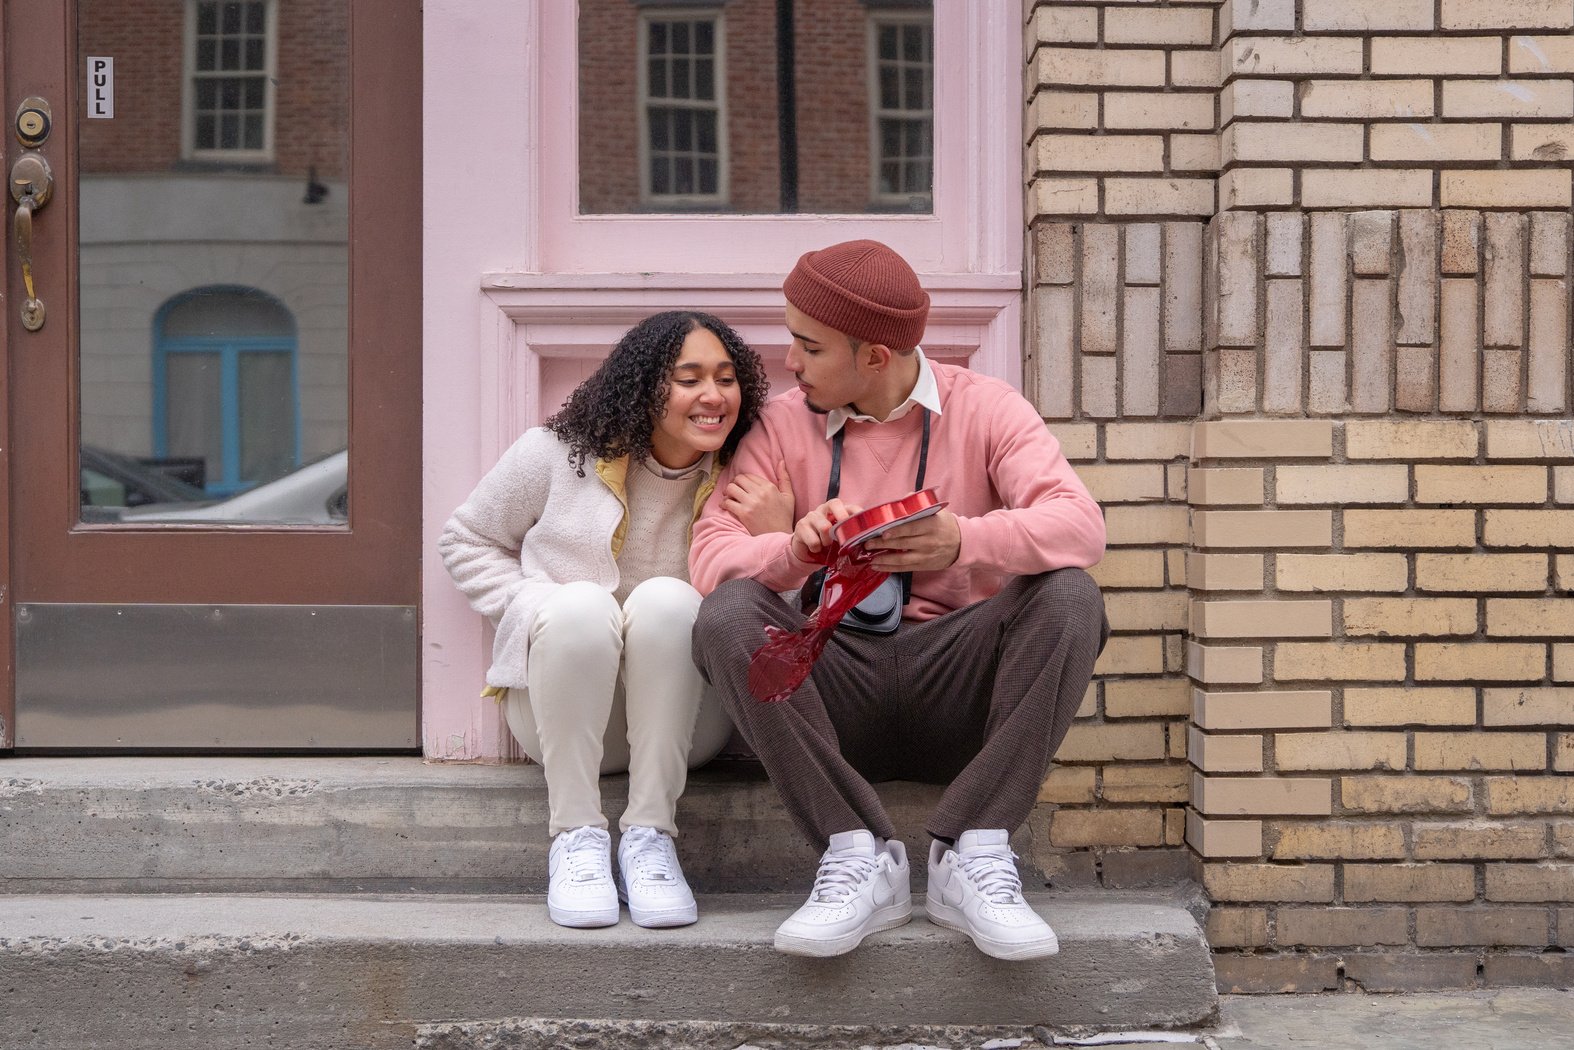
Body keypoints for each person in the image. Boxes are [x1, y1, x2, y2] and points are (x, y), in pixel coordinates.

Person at [689, 240, 1109, 961]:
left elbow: (1081, 524)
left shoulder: (987, 409)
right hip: (828, 689)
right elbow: (709, 557)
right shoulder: (780, 425)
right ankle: (858, 855)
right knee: (726, 615)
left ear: (875, 357)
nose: (788, 361)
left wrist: (965, 542)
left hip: (958, 688)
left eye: (809, 346)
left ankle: (972, 851)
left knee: (1071, 596)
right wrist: (792, 549)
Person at [440, 310, 785, 930]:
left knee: (670, 601)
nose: (713, 396)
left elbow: (784, 603)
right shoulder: (555, 454)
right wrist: (529, 608)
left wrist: (780, 533)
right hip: (557, 715)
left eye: (727, 378)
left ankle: (651, 837)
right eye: (689, 379)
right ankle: (575, 838)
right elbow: (466, 539)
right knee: (578, 604)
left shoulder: (749, 476)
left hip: (685, 724)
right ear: (644, 385)